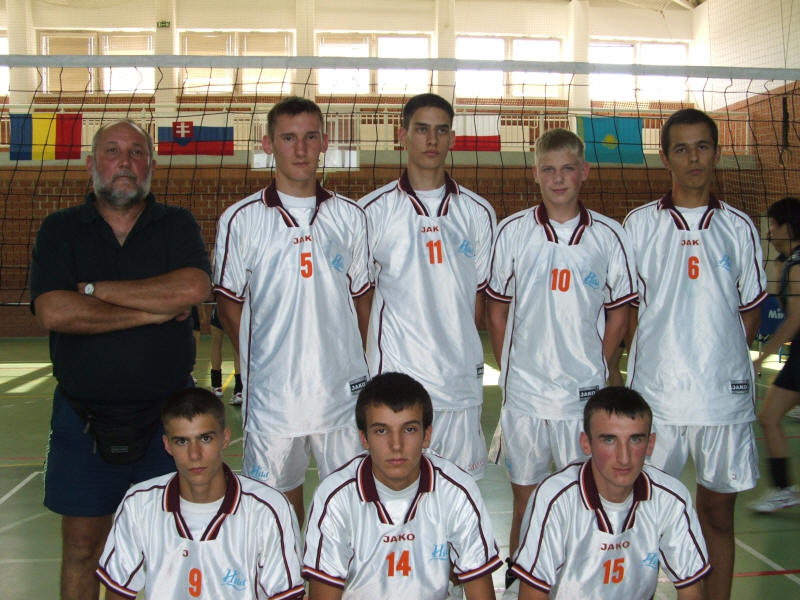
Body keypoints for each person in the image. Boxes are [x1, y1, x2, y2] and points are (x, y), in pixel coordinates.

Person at [29, 119, 212, 600]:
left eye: (136, 152)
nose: (125, 162)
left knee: (165, 548)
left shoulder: (176, 224)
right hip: (83, 419)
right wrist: (152, 312)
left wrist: (92, 290)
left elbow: (193, 288)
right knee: (82, 548)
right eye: (112, 151)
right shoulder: (60, 229)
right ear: (91, 164)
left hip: (167, 421)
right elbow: (54, 311)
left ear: (151, 165)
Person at [623, 108, 766, 600]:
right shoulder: (639, 225)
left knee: (717, 516)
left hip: (721, 400)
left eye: (702, 146)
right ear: (665, 158)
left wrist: (719, 357)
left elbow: (749, 311)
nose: (693, 158)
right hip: (658, 399)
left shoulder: (740, 227)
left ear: (717, 153)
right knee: (644, 516)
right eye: (681, 149)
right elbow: (627, 309)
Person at [485, 128, 637, 579]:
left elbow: (620, 312)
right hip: (526, 396)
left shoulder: (609, 235)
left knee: (581, 498)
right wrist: (510, 366)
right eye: (549, 169)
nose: (558, 178)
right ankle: (522, 579)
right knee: (526, 499)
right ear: (535, 173)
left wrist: (597, 364)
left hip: (581, 398)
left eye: (568, 168)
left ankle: (578, 580)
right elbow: (496, 309)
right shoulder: (512, 231)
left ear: (584, 172)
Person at [213, 96, 370, 526]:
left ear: (324, 142)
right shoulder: (240, 220)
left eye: (309, 137)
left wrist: (350, 362)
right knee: (277, 514)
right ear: (268, 144)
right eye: (288, 138)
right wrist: (260, 364)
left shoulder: (351, 216)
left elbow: (362, 299)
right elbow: (228, 303)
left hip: (340, 396)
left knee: (348, 509)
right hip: (274, 399)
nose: (300, 149)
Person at [358, 93, 497, 480]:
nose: (431, 140)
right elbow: (361, 298)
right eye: (421, 129)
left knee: (462, 494)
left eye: (441, 130)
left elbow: (478, 299)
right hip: (397, 384)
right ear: (402, 135)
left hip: (459, 384)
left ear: (452, 137)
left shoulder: (478, 212)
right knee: (397, 493)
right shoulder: (372, 211)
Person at [303, 372, 502, 600]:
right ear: (364, 438)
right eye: (381, 430)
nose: (396, 445)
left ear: (426, 435)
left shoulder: (457, 491)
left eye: (409, 429)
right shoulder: (336, 498)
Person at [95, 387, 305, 600]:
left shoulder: (269, 509)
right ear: (167, 445)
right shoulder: (138, 504)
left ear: (225, 438)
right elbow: (118, 593)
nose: (194, 454)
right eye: (182, 441)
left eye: (205, 439)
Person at [510, 387, 710, 600]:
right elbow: (532, 595)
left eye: (635, 439)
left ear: (650, 444)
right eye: (609, 440)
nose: (624, 458)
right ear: (586, 443)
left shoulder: (671, 499)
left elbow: (691, 592)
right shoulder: (555, 499)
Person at [749, 196, 800, 512]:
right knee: (769, 417)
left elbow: (795, 319)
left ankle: (783, 490)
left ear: (788, 227)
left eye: (774, 225)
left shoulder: (796, 266)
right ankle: (783, 489)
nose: (769, 232)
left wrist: (762, 357)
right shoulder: (787, 262)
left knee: (768, 417)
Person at [209, 303, 243, 405]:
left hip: (222, 306)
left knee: (216, 344)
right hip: (236, 307)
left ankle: (216, 387)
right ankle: (239, 391)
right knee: (237, 346)